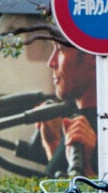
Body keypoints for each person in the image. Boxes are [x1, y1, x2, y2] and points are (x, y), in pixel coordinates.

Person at [15, 42, 100, 177]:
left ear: (92, 56)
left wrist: (87, 170)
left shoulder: (97, 125)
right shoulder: (81, 120)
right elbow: (58, 184)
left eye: (60, 49)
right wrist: (52, 144)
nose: (51, 62)